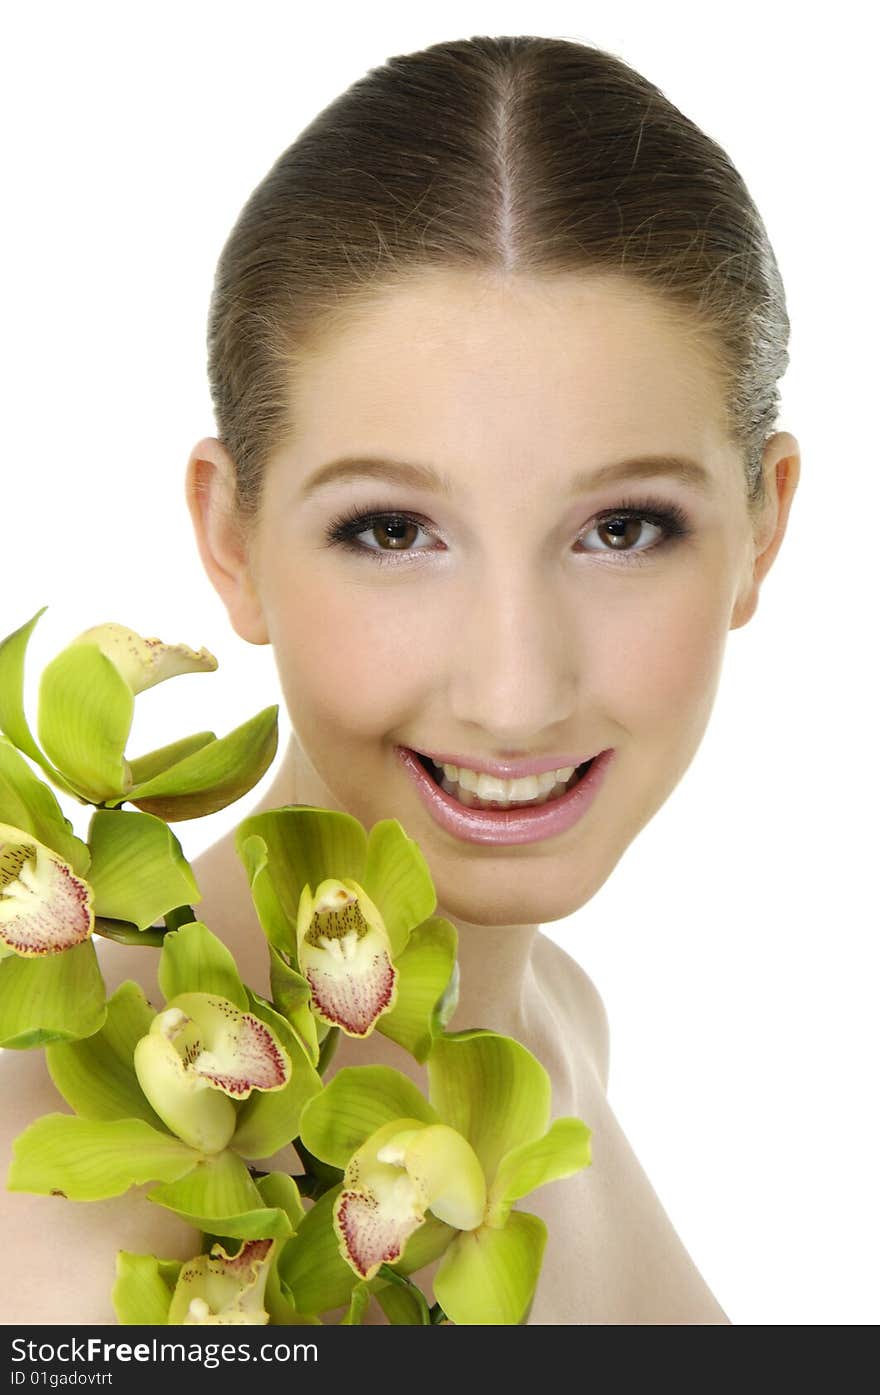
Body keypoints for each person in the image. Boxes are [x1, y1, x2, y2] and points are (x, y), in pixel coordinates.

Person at [1, 33, 799, 1325]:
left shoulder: (554, 1029)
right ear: (231, 540)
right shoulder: (71, 1250)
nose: (515, 690)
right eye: (390, 531)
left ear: (762, 528)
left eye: (623, 527)